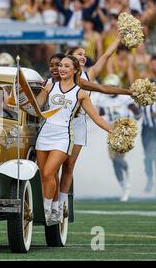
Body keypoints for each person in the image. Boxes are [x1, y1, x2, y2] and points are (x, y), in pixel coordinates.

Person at [35, 55, 112, 223]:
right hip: (44, 135)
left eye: (67, 66)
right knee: (44, 175)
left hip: (63, 137)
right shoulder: (49, 86)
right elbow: (36, 106)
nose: (62, 68)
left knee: (49, 171)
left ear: (75, 70)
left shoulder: (81, 93)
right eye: (61, 65)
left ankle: (47, 211)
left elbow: (96, 117)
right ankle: (52, 207)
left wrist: (112, 130)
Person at [96, 74, 140, 202]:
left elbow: (136, 112)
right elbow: (101, 114)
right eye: (108, 86)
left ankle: (127, 173)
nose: (110, 89)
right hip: (111, 130)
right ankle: (124, 186)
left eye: (113, 86)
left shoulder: (123, 98)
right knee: (114, 161)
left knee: (118, 158)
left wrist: (132, 123)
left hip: (124, 129)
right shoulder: (102, 98)